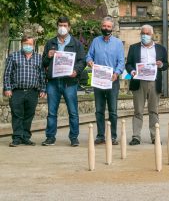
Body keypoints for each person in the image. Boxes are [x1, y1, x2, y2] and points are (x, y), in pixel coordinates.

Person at [41, 17, 85, 147]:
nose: (62, 27)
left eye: (65, 25)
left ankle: (74, 137)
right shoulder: (50, 43)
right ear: (57, 26)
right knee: (51, 112)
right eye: (60, 25)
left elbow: (82, 61)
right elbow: (43, 62)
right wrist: (48, 56)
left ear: (69, 27)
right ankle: (50, 137)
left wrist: (76, 71)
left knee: (73, 111)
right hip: (53, 82)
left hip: (69, 83)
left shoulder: (76, 44)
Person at [125, 25, 169, 145]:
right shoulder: (134, 48)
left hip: (154, 82)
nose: (145, 35)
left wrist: (160, 65)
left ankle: (155, 136)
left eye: (147, 33)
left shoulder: (161, 49)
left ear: (152, 35)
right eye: (143, 33)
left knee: (153, 110)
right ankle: (136, 136)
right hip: (138, 82)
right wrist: (132, 71)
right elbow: (128, 64)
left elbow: (166, 65)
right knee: (138, 110)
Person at [86, 17, 124, 145]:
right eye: (104, 26)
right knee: (99, 110)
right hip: (99, 80)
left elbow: (121, 62)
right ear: (101, 26)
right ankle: (100, 135)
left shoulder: (118, 43)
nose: (106, 28)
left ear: (112, 28)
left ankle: (113, 136)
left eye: (108, 26)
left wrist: (117, 73)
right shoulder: (95, 41)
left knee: (113, 110)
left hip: (112, 80)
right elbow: (89, 55)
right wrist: (89, 61)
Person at [3, 35, 46, 147]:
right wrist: (7, 88)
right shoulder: (13, 56)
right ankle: (17, 138)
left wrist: (43, 89)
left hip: (33, 91)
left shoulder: (38, 58)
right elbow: (7, 74)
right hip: (17, 91)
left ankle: (26, 137)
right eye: (26, 44)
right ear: (22, 44)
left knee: (29, 115)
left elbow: (42, 75)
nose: (28, 46)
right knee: (17, 114)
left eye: (30, 44)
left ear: (34, 45)